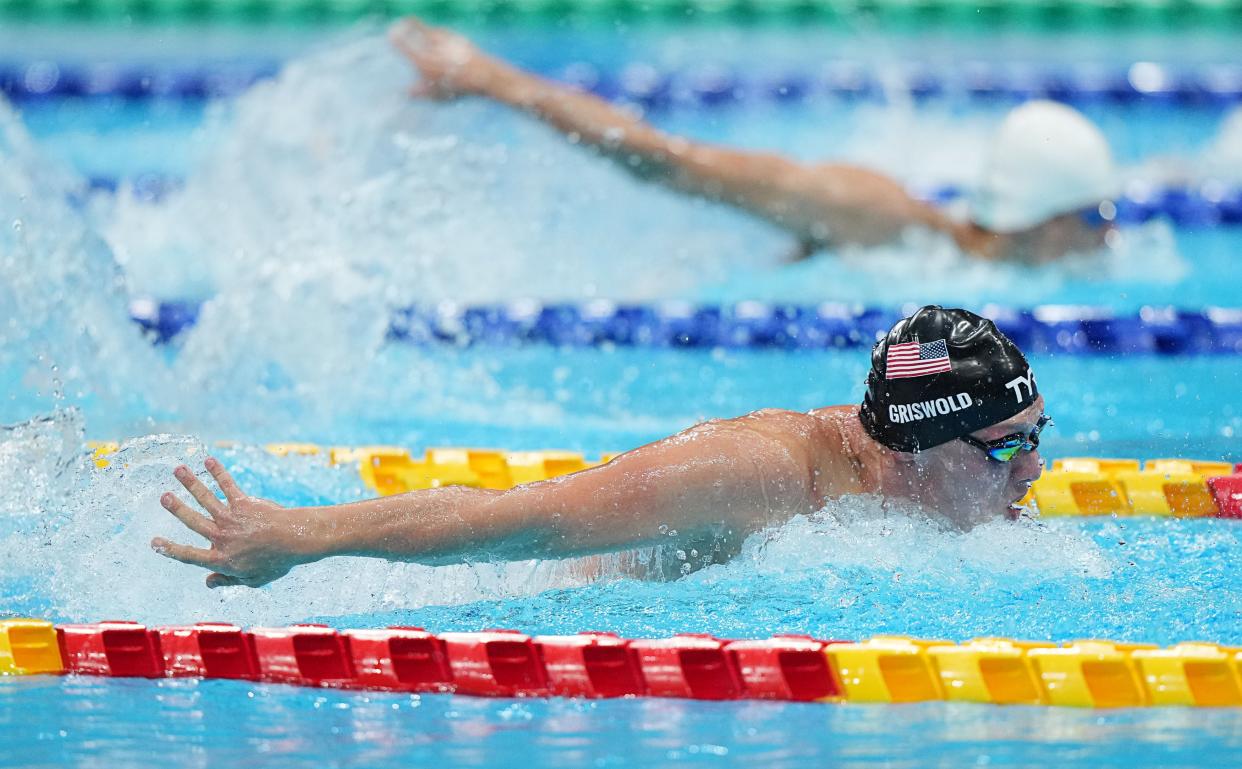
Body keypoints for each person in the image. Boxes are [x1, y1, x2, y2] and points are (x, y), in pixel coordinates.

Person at [151, 306, 1048, 588]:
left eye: (1038, 439)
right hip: (499, 595)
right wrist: (302, 536)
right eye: (1005, 450)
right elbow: (521, 522)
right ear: (918, 447)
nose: (1035, 471)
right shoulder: (761, 471)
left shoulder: (906, 479)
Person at [386, 18, 1119, 265]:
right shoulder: (876, 213)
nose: (1110, 238)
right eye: (1098, 219)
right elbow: (665, 158)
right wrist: (494, 80)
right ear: (1047, 220)